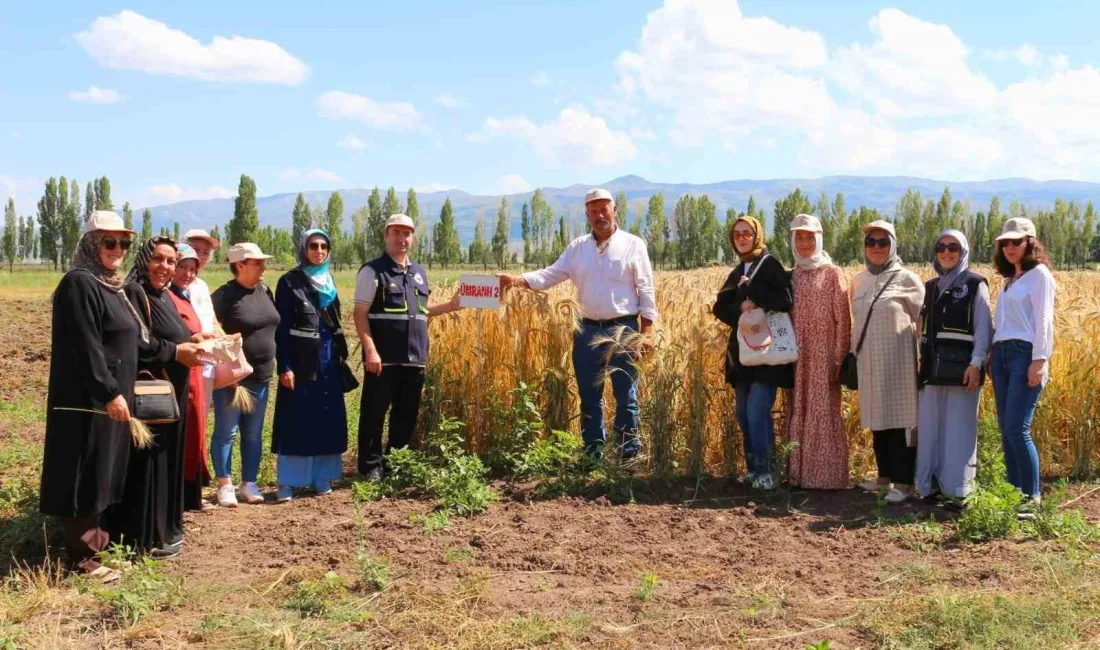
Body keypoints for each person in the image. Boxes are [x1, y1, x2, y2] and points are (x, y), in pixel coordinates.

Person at [498, 189, 658, 461]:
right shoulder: (577, 248)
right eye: (593, 212)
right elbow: (550, 274)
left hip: (625, 330)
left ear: (615, 210)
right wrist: (517, 279)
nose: (599, 216)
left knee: (626, 396)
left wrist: (647, 333)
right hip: (586, 331)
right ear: (587, 215)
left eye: (604, 210)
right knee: (589, 397)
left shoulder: (634, 245)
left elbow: (646, 290)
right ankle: (593, 453)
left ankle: (628, 456)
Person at [40, 212, 144, 582]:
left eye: (124, 243)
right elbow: (87, 347)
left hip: (111, 399)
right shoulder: (79, 283)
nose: (118, 250)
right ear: (90, 244)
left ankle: (97, 550)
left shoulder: (110, 284)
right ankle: (82, 561)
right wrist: (109, 391)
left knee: (103, 471)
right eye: (109, 242)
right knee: (85, 472)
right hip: (89, 400)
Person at [106, 237, 205, 558]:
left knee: (166, 462)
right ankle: (146, 538)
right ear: (145, 259)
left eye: (171, 261)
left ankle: (165, 530)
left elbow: (167, 334)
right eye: (158, 259)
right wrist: (178, 350)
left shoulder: (163, 296)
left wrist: (194, 339)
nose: (165, 267)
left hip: (171, 393)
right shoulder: (135, 292)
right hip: (150, 395)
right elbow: (140, 344)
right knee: (149, 465)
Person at [354, 214, 462, 480]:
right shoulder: (372, 271)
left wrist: (451, 305)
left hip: (415, 358)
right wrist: (370, 350)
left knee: (406, 415)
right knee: (374, 414)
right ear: (386, 236)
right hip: (384, 359)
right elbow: (359, 314)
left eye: (407, 234)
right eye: (396, 233)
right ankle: (371, 467)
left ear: (413, 238)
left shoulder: (419, 273)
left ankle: (397, 464)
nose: (402, 239)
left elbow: (423, 310)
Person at [712, 215, 794, 491]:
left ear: (757, 235)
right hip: (742, 354)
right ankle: (753, 470)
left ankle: (768, 472)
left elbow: (784, 300)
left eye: (747, 233)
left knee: (758, 411)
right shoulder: (738, 269)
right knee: (743, 414)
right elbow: (719, 308)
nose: (742, 238)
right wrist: (741, 310)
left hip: (767, 353)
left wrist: (753, 293)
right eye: (737, 235)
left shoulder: (769, 264)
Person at [850, 220, 925, 504]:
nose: (877, 248)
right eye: (871, 242)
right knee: (877, 418)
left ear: (893, 245)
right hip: (869, 361)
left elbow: (921, 321)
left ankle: (904, 482)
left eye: (883, 242)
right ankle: (883, 477)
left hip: (899, 363)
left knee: (901, 420)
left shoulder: (907, 279)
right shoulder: (858, 280)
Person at [916, 230, 992, 506]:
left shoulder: (975, 285)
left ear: (964, 252)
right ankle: (930, 486)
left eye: (954, 247)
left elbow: (984, 328)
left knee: (959, 429)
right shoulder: (929, 287)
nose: (947, 252)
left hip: (962, 371)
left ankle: (958, 490)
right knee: (930, 428)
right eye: (941, 247)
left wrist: (976, 363)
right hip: (932, 371)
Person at [272, 230, 349, 501]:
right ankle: (287, 482)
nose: (319, 250)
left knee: (325, 416)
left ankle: (320, 477)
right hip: (301, 360)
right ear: (304, 248)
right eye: (313, 246)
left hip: (328, 361)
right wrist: (285, 366)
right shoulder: (289, 282)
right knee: (296, 417)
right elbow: (280, 330)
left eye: (324, 246)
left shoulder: (329, 281)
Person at [990, 217, 1055, 517]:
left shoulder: (1039, 275)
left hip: (1024, 355)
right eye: (1005, 242)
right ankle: (1012, 492)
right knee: (1006, 429)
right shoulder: (1010, 280)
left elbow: (1044, 321)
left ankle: (1032, 496)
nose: (1010, 247)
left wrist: (1039, 361)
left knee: (1018, 429)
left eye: (1017, 241)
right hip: (1002, 355)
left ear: (1030, 242)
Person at [785, 214, 852, 490]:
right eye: (799, 237)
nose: (804, 242)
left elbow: (843, 319)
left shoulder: (832, 273)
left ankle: (826, 478)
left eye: (809, 237)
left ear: (819, 239)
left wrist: (838, 356)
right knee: (798, 408)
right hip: (797, 358)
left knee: (823, 413)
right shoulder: (793, 276)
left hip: (824, 357)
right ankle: (797, 475)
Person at [210, 243, 280, 505]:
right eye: (257, 262)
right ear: (240, 265)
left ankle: (249, 483)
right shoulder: (225, 295)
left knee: (253, 432)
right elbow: (211, 328)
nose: (263, 266)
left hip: (261, 376)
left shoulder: (264, 290)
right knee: (226, 431)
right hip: (233, 379)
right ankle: (225, 484)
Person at [166, 243, 215, 511]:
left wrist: (204, 339)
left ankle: (191, 495)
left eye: (192, 269)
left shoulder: (185, 295)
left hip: (195, 372)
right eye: (182, 267)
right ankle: (181, 497)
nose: (187, 274)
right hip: (177, 374)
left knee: (195, 431)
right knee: (182, 434)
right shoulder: (166, 297)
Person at [184, 229, 221, 405]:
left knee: (201, 413)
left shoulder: (202, 286)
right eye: (195, 249)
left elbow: (212, 320)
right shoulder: (171, 284)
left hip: (208, 359)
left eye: (205, 252)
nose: (200, 255)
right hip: (185, 359)